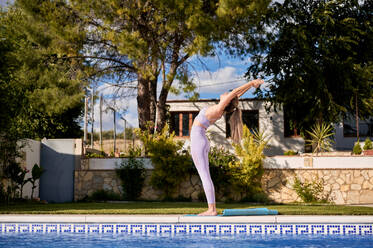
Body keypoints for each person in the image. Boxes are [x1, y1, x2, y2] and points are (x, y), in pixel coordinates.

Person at [190, 79, 264, 216]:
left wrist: (251, 82)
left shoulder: (219, 109)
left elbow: (234, 93)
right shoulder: (220, 108)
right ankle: (211, 208)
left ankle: (211, 209)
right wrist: (251, 86)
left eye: (227, 95)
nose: (226, 93)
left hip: (198, 140)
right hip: (201, 140)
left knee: (204, 176)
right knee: (205, 175)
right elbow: (236, 95)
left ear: (227, 102)